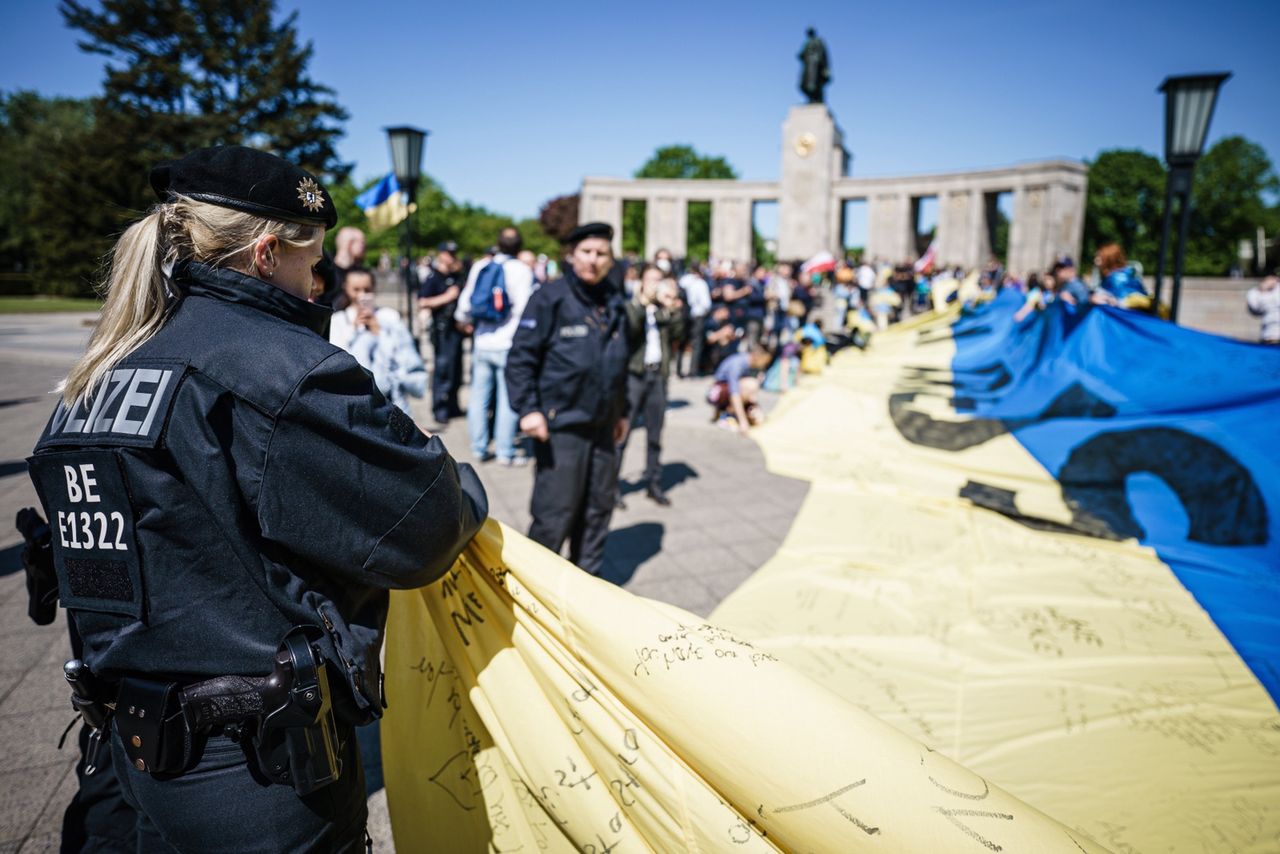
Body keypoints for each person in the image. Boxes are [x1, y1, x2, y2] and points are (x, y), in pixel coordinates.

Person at [24, 145, 487, 850]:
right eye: (312, 262)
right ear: (268, 253)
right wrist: (454, 477)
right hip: (255, 776)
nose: (318, 283)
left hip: (130, 756)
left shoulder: (103, 368)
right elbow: (425, 524)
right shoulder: (280, 368)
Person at [506, 222, 636, 575]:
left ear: (611, 259)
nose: (593, 260)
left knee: (597, 512)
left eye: (601, 253)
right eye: (586, 252)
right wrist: (528, 410)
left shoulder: (615, 299)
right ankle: (534, 593)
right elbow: (520, 359)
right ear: (571, 255)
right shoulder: (550, 297)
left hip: (605, 425)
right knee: (554, 515)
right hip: (560, 425)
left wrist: (622, 411)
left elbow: (619, 360)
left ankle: (585, 589)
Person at [454, 227, 535, 465]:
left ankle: (479, 447)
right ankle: (504, 450)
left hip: (483, 341)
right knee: (507, 399)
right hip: (509, 343)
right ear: (520, 246)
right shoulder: (522, 271)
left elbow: (465, 303)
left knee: (479, 396)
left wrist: (466, 324)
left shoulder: (481, 266)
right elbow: (523, 310)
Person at [617, 269, 685, 509]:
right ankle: (612, 487)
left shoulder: (664, 310)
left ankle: (653, 483)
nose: (656, 286)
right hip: (634, 376)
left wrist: (673, 308)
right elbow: (630, 330)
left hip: (657, 375)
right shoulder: (632, 306)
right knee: (622, 433)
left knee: (655, 433)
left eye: (659, 281)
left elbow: (679, 334)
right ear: (642, 283)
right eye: (651, 281)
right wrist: (643, 303)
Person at [329, 266, 427, 412]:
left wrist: (380, 333)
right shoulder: (338, 321)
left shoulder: (389, 316)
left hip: (392, 401)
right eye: (356, 289)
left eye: (367, 290)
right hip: (355, 403)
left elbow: (405, 357)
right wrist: (354, 331)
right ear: (346, 288)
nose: (361, 295)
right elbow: (338, 362)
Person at [418, 241, 466, 424]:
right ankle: (440, 408)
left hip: (457, 329)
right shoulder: (433, 277)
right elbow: (422, 301)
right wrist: (446, 297)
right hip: (442, 330)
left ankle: (453, 406)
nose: (452, 257)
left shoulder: (456, 276)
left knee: (456, 370)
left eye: (454, 253)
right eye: (448, 253)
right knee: (443, 370)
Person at [707, 345, 773, 435]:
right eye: (764, 362)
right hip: (717, 394)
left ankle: (732, 414)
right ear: (756, 356)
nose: (764, 366)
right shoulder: (738, 363)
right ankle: (728, 416)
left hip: (723, 392)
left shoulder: (746, 363)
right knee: (751, 385)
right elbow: (734, 392)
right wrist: (743, 421)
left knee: (758, 418)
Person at [677, 260, 712, 376]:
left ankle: (679, 369)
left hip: (682, 316)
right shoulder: (700, 283)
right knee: (696, 344)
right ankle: (693, 371)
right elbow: (706, 303)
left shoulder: (682, 281)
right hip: (697, 316)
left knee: (681, 343)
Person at [1092, 243, 1149, 308]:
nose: (1095, 261)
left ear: (1109, 260)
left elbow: (1123, 303)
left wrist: (1106, 299)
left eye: (1099, 258)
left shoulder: (1117, 279)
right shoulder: (1119, 276)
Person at [1246, 274, 1280, 344]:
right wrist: (1263, 291)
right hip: (1268, 335)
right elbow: (1255, 309)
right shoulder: (1254, 292)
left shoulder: (1277, 290)